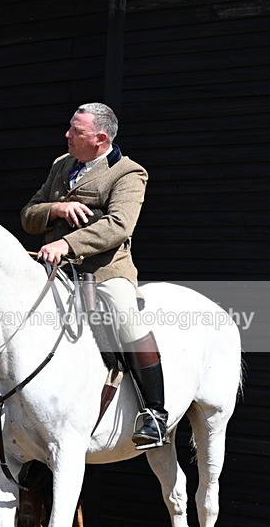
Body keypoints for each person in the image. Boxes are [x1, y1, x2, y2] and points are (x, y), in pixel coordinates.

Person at [20, 102, 168, 447]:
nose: (67, 135)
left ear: (100, 139)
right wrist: (56, 208)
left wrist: (67, 244)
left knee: (126, 318)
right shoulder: (61, 164)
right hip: (53, 268)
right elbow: (28, 216)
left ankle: (154, 414)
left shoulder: (129, 173)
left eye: (76, 131)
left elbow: (119, 226)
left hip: (104, 271)